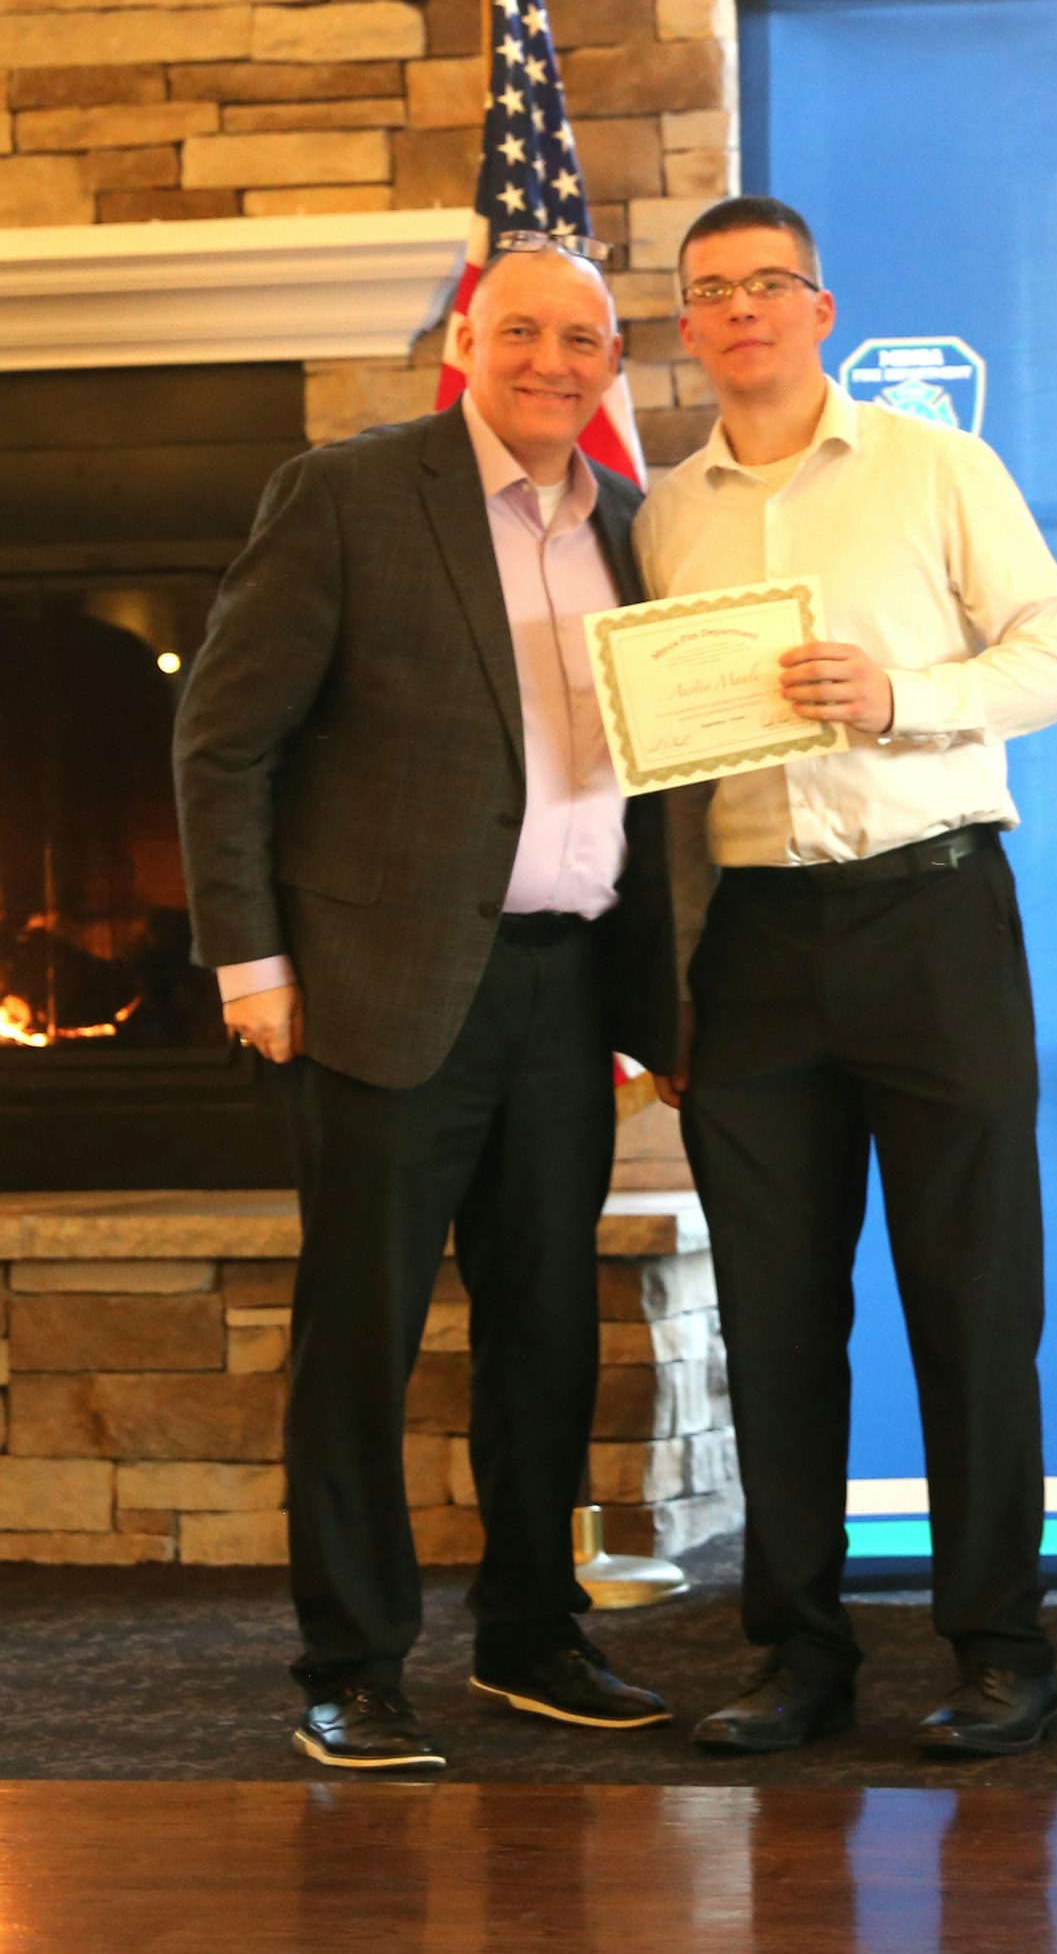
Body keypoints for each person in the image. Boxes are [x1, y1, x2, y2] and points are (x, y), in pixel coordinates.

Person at [174, 236, 678, 1770]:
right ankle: (351, 1662)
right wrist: (253, 968)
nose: (549, 363)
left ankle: (531, 1637)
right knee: (363, 1336)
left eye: (580, 341)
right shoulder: (349, 491)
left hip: (563, 991)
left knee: (543, 1335)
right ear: (467, 340)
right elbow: (224, 740)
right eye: (518, 331)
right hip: (374, 996)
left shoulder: (638, 527)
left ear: (610, 368)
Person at [636, 196, 1057, 1759]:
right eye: (712, 292)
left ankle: (997, 1650)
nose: (742, 310)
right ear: (689, 327)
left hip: (934, 919)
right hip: (760, 941)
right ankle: (797, 1656)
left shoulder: (934, 465)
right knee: (770, 1317)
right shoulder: (663, 516)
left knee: (973, 1302)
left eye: (769, 283)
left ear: (819, 308)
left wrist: (901, 694)